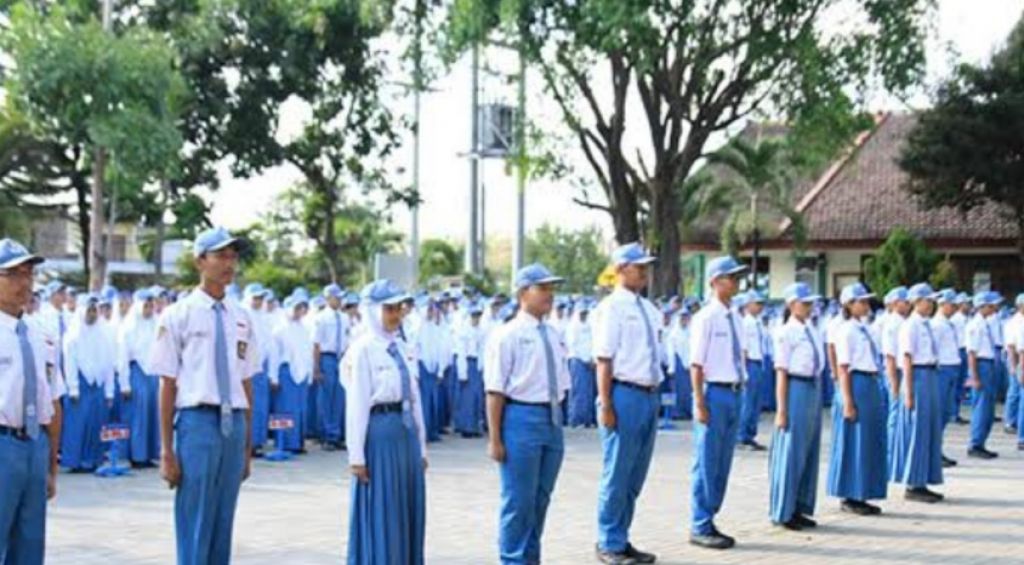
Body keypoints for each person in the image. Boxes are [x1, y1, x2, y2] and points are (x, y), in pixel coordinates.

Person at [150, 227, 258, 565]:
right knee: (195, 516)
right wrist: (166, 450)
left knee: (224, 518)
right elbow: (167, 384)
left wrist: (247, 444)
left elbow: (246, 381)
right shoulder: (178, 314)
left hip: (233, 423)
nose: (229, 264)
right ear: (200, 261)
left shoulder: (242, 317)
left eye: (233, 256)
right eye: (221, 256)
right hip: (198, 422)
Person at [485, 264, 570, 565]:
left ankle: (530, 558)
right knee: (518, 500)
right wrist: (495, 438)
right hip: (521, 418)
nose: (550, 295)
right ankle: (512, 559)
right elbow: (495, 390)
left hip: (552, 419)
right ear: (523, 293)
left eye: (551, 288)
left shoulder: (553, 333)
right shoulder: (507, 335)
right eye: (542, 288)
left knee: (540, 499)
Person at [343, 279, 428, 565]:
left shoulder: (403, 347)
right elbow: (357, 405)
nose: (396, 315)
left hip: (405, 435)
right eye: (389, 309)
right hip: (380, 434)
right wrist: (356, 456)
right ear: (372, 311)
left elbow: (415, 398)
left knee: (406, 506)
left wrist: (422, 447)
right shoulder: (363, 349)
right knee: (384, 506)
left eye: (398, 308)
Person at [590, 243, 662, 565]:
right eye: (638, 267)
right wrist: (606, 404)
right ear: (620, 269)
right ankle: (608, 542)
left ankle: (621, 536)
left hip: (648, 394)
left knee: (635, 475)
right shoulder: (611, 308)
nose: (644, 272)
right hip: (623, 394)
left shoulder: (649, 309)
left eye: (646, 267)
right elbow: (604, 360)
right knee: (617, 473)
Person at [0, 239, 63, 565]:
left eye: (28, 274)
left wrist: (51, 464)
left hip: (34, 446)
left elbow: (52, 402)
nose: (23, 282)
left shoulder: (42, 335)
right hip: (3, 444)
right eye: (12, 274)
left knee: (29, 543)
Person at [688, 256, 749, 551]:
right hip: (713, 393)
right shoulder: (706, 317)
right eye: (731, 277)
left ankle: (710, 517)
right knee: (707, 460)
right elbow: (696, 364)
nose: (736, 282)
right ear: (715, 282)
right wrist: (699, 402)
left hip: (734, 392)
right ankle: (699, 523)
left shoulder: (735, 317)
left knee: (723, 461)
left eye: (737, 277)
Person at [828, 282, 887, 516]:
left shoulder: (864, 328)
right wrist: (848, 401)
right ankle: (850, 495)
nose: (866, 305)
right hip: (856, 383)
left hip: (869, 382)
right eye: (861, 301)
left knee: (869, 440)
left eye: (866, 301)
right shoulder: (846, 331)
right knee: (856, 440)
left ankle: (863, 491)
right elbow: (843, 368)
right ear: (849, 305)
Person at [769, 283, 823, 531]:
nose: (809, 307)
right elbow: (781, 372)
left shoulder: (811, 329)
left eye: (811, 303)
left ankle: (800, 505)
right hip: (795, 388)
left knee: (809, 450)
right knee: (792, 451)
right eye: (805, 303)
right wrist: (781, 410)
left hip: (812, 386)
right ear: (791, 305)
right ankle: (784, 510)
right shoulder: (786, 332)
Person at [892, 283, 944, 503]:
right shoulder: (910, 326)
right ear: (916, 301)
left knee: (929, 429)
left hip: (930, 374)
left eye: (932, 301)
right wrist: (909, 391)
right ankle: (913, 483)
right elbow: (907, 358)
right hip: (918, 376)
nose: (931, 304)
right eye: (927, 300)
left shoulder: (926, 324)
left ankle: (923, 480)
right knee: (917, 429)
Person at [61, 293, 116, 472]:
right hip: (80, 384)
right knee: (78, 425)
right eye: (89, 311)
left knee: (96, 423)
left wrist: (109, 391)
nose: (92, 315)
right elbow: (70, 363)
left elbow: (109, 363)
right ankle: (74, 461)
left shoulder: (104, 333)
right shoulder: (73, 335)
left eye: (94, 311)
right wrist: (73, 388)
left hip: (98, 385)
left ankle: (93, 460)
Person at [117, 288, 161, 467]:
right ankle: (136, 455)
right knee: (138, 416)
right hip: (136, 373)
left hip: (153, 374)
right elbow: (122, 357)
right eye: (146, 306)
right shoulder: (128, 327)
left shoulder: (156, 323)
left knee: (152, 415)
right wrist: (124, 384)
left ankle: (150, 454)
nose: (149, 310)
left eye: (151, 306)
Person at [270, 295, 314, 453]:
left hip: (302, 373)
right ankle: (283, 443)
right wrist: (273, 377)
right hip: (286, 372)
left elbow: (307, 353)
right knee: (284, 409)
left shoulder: (304, 329)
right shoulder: (279, 329)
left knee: (301, 409)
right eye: (296, 308)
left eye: (301, 308)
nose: (299, 311)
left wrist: (309, 373)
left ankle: (298, 443)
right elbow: (274, 355)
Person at [312, 284, 349, 451]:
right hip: (326, 357)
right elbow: (316, 344)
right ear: (328, 298)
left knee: (339, 398)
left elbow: (347, 340)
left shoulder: (344, 318)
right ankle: (326, 435)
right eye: (336, 297)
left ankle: (336, 434)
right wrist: (316, 367)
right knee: (326, 398)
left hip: (341, 358)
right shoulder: (321, 318)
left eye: (340, 297)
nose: (339, 300)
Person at [965, 292, 1000, 459]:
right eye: (992, 306)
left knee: (988, 408)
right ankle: (975, 444)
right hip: (981, 365)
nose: (995, 308)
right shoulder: (975, 325)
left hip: (988, 364)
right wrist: (974, 377)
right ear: (983, 306)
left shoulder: (985, 323)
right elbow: (971, 353)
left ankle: (981, 442)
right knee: (981, 407)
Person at [932, 290, 963, 467]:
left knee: (946, 412)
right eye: (952, 305)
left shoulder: (948, 324)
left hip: (951, 368)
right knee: (939, 413)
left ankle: (938, 450)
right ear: (942, 304)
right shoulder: (937, 325)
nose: (955, 308)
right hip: (942, 370)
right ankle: (934, 452)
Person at [242, 283, 272, 457]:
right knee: (248, 406)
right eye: (256, 298)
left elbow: (269, 345)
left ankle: (258, 442)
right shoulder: (242, 314)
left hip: (262, 366)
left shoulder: (264, 317)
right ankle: (247, 444)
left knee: (260, 406)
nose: (259, 301)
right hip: (247, 367)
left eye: (261, 298)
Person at [416, 299, 450, 442]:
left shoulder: (436, 329)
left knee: (433, 401)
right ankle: (423, 432)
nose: (431, 313)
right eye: (429, 310)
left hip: (434, 368)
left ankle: (432, 431)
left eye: (433, 310)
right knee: (423, 402)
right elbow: (414, 349)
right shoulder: (418, 328)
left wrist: (440, 369)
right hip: (422, 367)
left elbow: (440, 350)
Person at [739, 291, 768, 451]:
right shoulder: (745, 323)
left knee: (756, 403)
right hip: (750, 363)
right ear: (748, 304)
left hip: (759, 362)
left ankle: (750, 434)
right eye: (757, 303)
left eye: (761, 304)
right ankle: (741, 436)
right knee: (748, 402)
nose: (760, 307)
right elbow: (743, 349)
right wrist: (744, 371)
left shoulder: (758, 323)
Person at [454, 302, 487, 438]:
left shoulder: (481, 331)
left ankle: (475, 426)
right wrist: (463, 372)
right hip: (467, 364)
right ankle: (466, 427)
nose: (476, 319)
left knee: (477, 398)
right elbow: (461, 353)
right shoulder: (464, 331)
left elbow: (483, 350)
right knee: (467, 399)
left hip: (477, 365)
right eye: (474, 316)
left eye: (478, 316)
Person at [567, 299, 597, 428]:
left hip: (589, 362)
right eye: (581, 313)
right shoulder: (573, 326)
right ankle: (576, 419)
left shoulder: (589, 326)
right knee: (578, 391)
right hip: (578, 361)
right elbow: (573, 345)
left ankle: (588, 419)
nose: (583, 315)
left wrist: (591, 358)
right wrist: (584, 359)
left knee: (589, 392)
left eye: (585, 313)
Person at [1002, 294, 1024, 436]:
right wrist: (1012, 366)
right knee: (1014, 390)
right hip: (1015, 357)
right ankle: (1010, 421)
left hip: (1020, 356)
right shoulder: (1014, 323)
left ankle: (1015, 420)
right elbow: (1010, 346)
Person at [666, 306, 693, 420]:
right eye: (682, 317)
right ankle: (677, 413)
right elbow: (670, 352)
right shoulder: (674, 334)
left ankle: (688, 412)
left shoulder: (691, 332)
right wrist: (671, 367)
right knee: (677, 390)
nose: (684, 320)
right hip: (678, 364)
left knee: (688, 391)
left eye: (686, 317)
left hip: (689, 365)